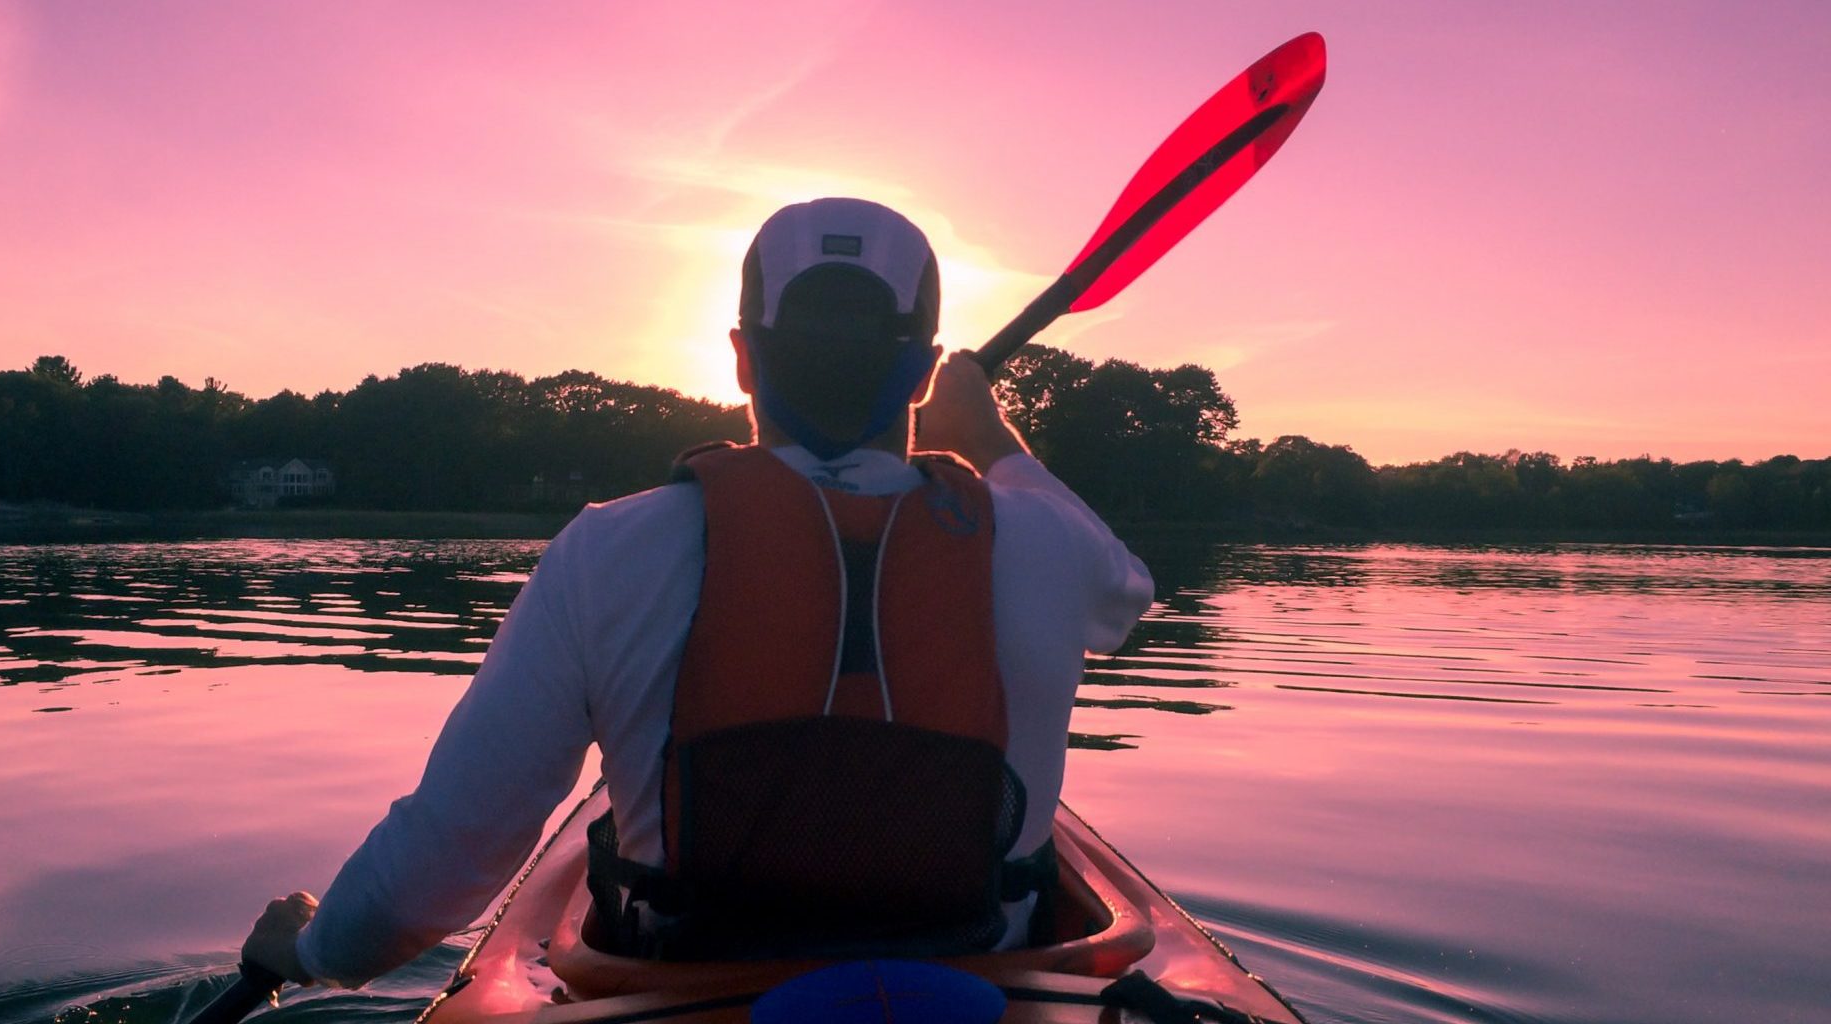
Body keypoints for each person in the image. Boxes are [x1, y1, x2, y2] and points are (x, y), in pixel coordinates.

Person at [240, 197, 1155, 986]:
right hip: (985, 985)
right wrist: (991, 435)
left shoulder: (609, 550)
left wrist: (313, 952)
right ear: (921, 371)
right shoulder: (1044, 543)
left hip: (683, 982)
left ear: (742, 359)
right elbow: (1128, 591)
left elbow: (438, 865)